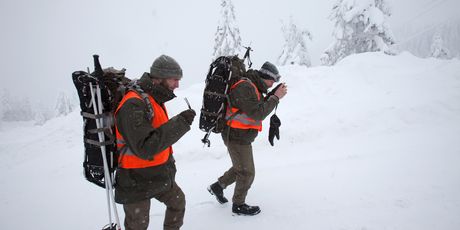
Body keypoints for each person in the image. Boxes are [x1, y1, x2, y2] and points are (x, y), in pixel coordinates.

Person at [114, 55, 196, 230]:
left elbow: (157, 133)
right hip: (135, 180)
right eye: (175, 79)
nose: (177, 85)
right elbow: (145, 147)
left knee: (178, 202)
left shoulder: (153, 98)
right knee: (138, 226)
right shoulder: (133, 104)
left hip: (157, 175)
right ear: (160, 78)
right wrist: (180, 123)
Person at [207, 61, 288, 216]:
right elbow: (257, 113)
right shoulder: (245, 87)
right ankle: (238, 205)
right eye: (272, 81)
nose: (272, 84)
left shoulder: (253, 87)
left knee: (240, 167)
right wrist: (275, 98)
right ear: (265, 76)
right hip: (236, 136)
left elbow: (255, 105)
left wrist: (271, 95)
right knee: (247, 172)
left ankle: (218, 186)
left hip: (240, 135)